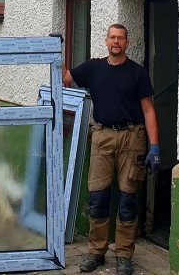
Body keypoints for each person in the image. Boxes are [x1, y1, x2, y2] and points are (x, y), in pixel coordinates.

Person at [63, 24, 160, 275]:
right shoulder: (93, 68)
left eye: (121, 38)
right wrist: (57, 50)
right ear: (106, 41)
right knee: (98, 199)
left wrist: (155, 146)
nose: (116, 42)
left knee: (128, 199)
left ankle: (124, 255)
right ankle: (96, 251)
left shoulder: (137, 73)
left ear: (127, 43)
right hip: (102, 137)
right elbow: (64, 78)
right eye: (112, 37)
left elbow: (149, 110)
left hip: (132, 138)